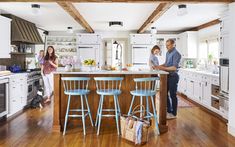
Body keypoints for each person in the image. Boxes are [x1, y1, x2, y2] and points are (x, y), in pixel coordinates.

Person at [153, 39, 181, 119]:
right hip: (167, 76)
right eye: (166, 45)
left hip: (173, 76)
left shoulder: (176, 54)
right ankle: (169, 110)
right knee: (164, 94)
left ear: (173, 44)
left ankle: (174, 114)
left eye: (168, 45)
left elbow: (174, 67)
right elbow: (166, 64)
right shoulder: (168, 53)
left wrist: (161, 67)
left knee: (173, 95)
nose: (166, 46)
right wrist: (158, 66)